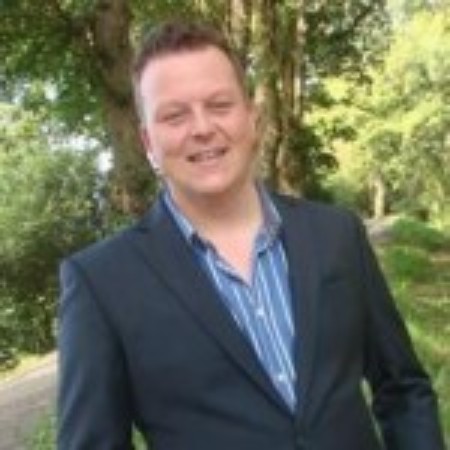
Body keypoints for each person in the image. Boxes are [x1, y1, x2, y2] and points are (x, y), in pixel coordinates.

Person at [57, 21, 445, 450]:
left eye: (219, 105)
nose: (202, 128)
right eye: (175, 115)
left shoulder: (337, 234)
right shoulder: (101, 283)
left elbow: (403, 389)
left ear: (252, 118)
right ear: (149, 142)